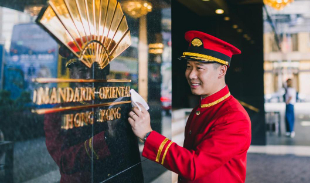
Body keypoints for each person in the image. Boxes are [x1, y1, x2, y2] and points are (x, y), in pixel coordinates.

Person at [128, 30, 252, 183]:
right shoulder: (202, 107)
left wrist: (148, 135)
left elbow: (194, 166)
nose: (191, 74)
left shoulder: (234, 117)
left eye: (199, 68)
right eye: (188, 66)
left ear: (222, 70)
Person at [44, 46, 143, 183]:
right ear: (72, 74)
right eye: (82, 70)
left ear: (106, 72)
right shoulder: (57, 114)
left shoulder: (120, 106)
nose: (91, 76)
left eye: (97, 69)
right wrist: (106, 137)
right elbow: (64, 161)